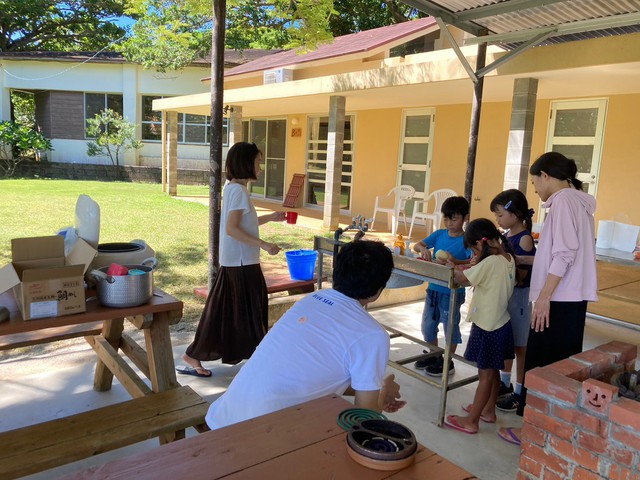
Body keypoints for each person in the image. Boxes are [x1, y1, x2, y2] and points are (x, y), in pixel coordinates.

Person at [204, 240, 406, 429]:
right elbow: (365, 421)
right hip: (260, 440)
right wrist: (382, 394)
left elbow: (319, 376)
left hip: (223, 419)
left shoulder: (311, 301)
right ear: (378, 290)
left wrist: (376, 388)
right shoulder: (372, 335)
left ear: (337, 272)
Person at [498, 151, 598, 446]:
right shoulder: (579, 202)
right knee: (559, 366)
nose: (535, 189)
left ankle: (534, 432)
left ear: (546, 176)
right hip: (570, 301)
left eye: (534, 182)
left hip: (557, 300)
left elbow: (564, 253)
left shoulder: (565, 201)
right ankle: (550, 432)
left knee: (543, 368)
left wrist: (543, 297)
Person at [179, 142, 285, 377]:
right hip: (241, 264)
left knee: (225, 312)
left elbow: (243, 224)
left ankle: (194, 355)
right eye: (258, 161)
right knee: (249, 312)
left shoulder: (233, 188)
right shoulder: (237, 191)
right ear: (245, 163)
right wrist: (265, 245)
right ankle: (259, 360)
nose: (260, 166)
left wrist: (270, 217)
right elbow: (232, 229)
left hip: (238, 263)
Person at [444, 218, 516, 434]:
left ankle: (472, 420)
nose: (474, 253)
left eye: (474, 248)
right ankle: (487, 410)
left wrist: (451, 265)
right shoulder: (507, 257)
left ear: (480, 243)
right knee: (493, 371)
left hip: (488, 325)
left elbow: (462, 279)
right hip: (501, 322)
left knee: (484, 375)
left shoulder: (490, 262)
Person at [412, 196, 472, 376]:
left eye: (454, 219)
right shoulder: (439, 234)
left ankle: (447, 360)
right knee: (427, 325)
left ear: (465, 218)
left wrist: (455, 261)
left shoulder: (467, 240)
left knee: (449, 327)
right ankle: (434, 354)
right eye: (446, 218)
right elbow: (417, 245)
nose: (449, 223)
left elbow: (473, 261)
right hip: (434, 289)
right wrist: (423, 249)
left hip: (452, 290)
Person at [490, 189, 536, 412]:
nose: (497, 219)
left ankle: (520, 391)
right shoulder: (507, 237)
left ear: (515, 214)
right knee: (508, 341)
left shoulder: (524, 239)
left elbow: (521, 277)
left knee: (520, 346)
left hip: (518, 297)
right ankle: (505, 383)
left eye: (500, 215)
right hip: (508, 296)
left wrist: (502, 258)